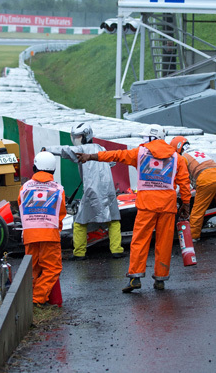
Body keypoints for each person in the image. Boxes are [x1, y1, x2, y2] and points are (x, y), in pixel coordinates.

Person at [77, 124, 190, 293]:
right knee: (164, 242)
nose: (144, 141)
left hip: (147, 205)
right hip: (168, 205)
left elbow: (115, 155)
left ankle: (135, 278)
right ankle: (160, 280)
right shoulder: (177, 158)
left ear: (152, 138)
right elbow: (184, 182)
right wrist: (186, 204)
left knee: (140, 241)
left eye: (145, 138)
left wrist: (90, 156)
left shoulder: (140, 153)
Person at [42, 123, 124, 261]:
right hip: (108, 189)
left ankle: (79, 252)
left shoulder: (81, 150)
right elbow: (110, 163)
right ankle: (116, 250)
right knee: (114, 220)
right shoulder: (101, 148)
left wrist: (47, 149)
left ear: (86, 137)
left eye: (79, 137)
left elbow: (65, 150)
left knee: (80, 222)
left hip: (92, 190)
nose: (76, 140)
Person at [170, 136, 216, 241]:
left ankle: (193, 236)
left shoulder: (183, 158)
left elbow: (182, 178)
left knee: (198, 210)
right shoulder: (200, 152)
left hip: (205, 179)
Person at [19, 151, 67, 305]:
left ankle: (27, 298)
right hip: (49, 233)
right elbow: (61, 213)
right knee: (52, 268)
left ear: (34, 167)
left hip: (29, 234)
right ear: (53, 170)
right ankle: (37, 298)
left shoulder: (25, 187)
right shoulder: (58, 189)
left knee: (32, 268)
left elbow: (21, 207)